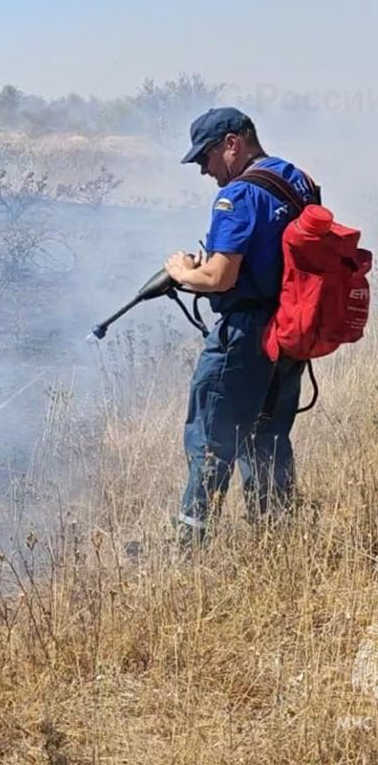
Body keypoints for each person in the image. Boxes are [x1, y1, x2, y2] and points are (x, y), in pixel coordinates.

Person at [165, 107, 316, 543]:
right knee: (268, 435)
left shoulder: (238, 196)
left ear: (232, 143)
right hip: (289, 329)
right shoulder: (296, 179)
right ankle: (276, 536)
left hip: (247, 335)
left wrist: (182, 272)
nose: (204, 171)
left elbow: (220, 278)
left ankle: (189, 546)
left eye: (205, 158)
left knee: (212, 437)